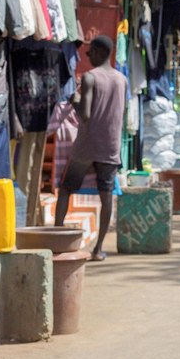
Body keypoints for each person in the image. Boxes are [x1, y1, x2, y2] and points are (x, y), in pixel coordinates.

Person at [54, 35, 126, 262]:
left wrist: (74, 100)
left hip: (86, 146)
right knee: (106, 196)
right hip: (110, 147)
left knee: (66, 190)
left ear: (98, 52)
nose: (87, 56)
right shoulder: (122, 79)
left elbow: (84, 114)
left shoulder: (90, 77)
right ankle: (98, 249)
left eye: (90, 52)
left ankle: (57, 242)